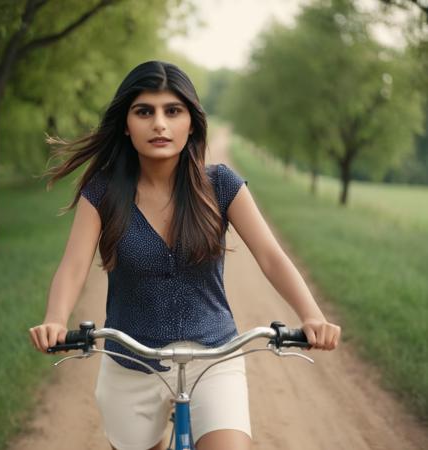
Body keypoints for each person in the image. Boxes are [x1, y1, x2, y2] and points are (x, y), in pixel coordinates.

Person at [29, 60, 341, 450]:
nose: (159, 123)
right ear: (126, 124)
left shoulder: (221, 184)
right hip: (131, 361)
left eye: (172, 111)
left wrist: (312, 315)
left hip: (215, 357)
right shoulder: (104, 192)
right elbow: (74, 267)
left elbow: (271, 257)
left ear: (191, 122)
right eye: (145, 111)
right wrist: (55, 320)